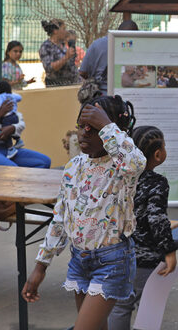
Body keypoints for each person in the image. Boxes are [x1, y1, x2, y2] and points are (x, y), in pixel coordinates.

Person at [22, 95, 144, 329]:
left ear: (113, 131)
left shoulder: (122, 168)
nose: (84, 133)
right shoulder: (74, 166)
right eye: (81, 125)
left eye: (94, 127)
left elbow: (136, 162)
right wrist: (40, 266)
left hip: (113, 262)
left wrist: (106, 125)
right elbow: (60, 217)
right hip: (79, 261)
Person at [108, 126, 178, 330]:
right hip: (145, 260)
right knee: (150, 308)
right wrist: (169, 250)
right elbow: (156, 218)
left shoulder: (118, 177)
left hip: (116, 254)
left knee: (120, 306)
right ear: (158, 154)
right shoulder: (157, 183)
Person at [79, 20, 139, 92]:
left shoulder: (97, 44)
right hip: (125, 94)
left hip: (99, 95)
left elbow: (82, 72)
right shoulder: (135, 48)